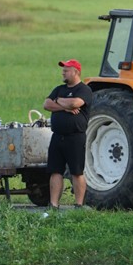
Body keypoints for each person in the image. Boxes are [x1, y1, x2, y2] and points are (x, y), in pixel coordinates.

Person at [43, 59, 94, 212]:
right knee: (55, 171)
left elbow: (75, 103)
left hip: (75, 137)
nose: (63, 73)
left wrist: (58, 101)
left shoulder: (84, 89)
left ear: (76, 72)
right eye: (63, 70)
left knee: (77, 172)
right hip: (57, 136)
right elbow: (46, 104)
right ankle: (53, 205)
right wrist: (63, 107)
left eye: (66, 70)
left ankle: (79, 205)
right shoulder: (59, 89)